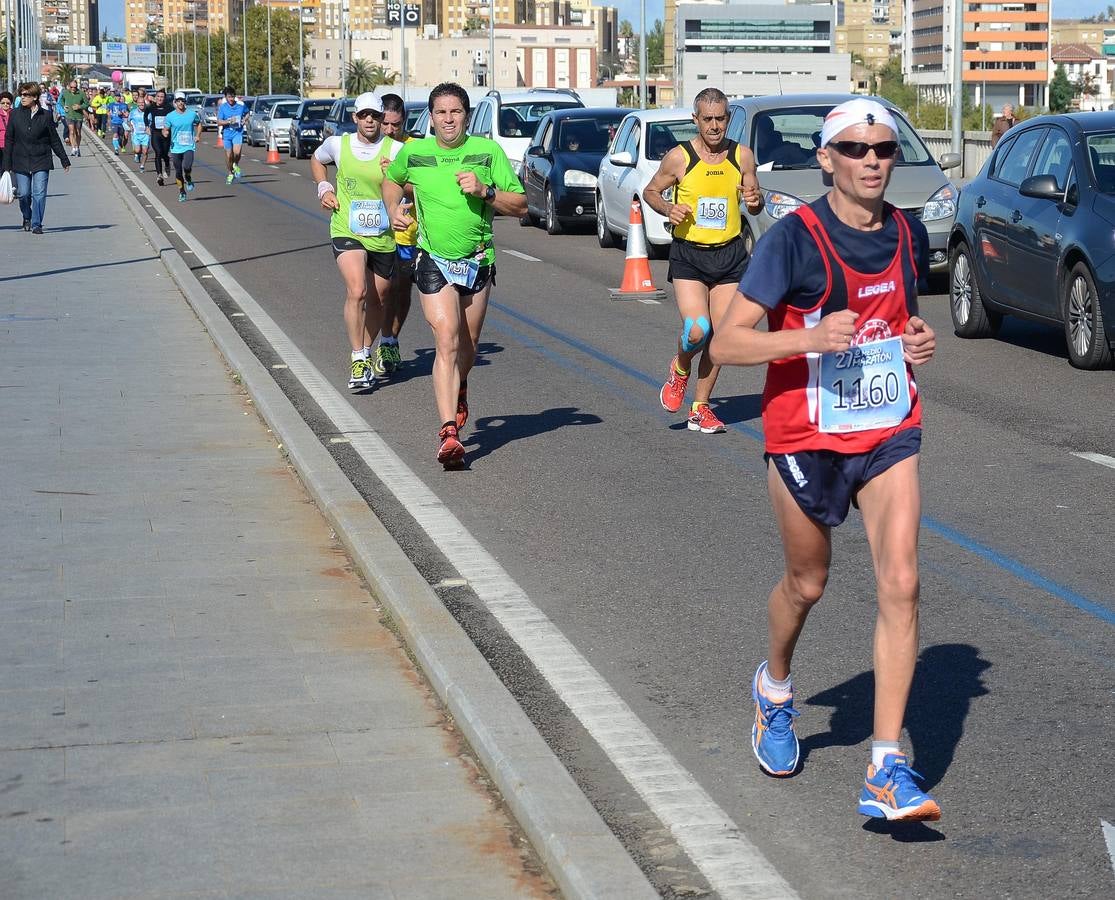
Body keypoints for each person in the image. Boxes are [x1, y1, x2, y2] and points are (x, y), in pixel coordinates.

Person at [709, 99, 938, 822]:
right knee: (807, 584)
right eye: (854, 148)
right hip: (804, 433)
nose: (871, 160)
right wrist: (805, 341)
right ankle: (773, 690)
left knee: (900, 583)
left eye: (883, 149)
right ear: (827, 158)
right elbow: (724, 345)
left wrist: (914, 343)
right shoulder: (793, 241)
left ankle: (885, 766)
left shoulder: (907, 232)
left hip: (885, 425)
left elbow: (897, 321)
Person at [383, 82, 527, 468]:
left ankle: (460, 385)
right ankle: (449, 432)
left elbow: (522, 205)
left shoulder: (487, 152)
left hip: (478, 260)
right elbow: (391, 180)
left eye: (456, 112)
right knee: (445, 339)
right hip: (433, 259)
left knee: (468, 344)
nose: (448, 119)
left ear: (467, 115)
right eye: (441, 112)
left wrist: (486, 191)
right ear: (431, 118)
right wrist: (393, 207)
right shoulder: (415, 152)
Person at [644, 87, 763, 435]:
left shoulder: (742, 156)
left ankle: (700, 407)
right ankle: (680, 367)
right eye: (707, 119)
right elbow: (651, 190)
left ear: (729, 119)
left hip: (729, 254)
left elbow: (754, 201)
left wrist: (755, 199)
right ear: (695, 120)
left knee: (722, 337)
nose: (714, 126)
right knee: (698, 330)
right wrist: (668, 208)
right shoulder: (679, 158)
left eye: (721, 118)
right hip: (690, 256)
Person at [310, 92, 400, 393]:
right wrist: (324, 187)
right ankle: (358, 357)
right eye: (364, 115)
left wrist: (398, 178)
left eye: (375, 115)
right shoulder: (338, 144)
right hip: (346, 227)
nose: (370, 120)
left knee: (379, 299)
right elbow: (317, 160)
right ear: (355, 118)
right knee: (357, 289)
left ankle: (365, 348)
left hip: (383, 234)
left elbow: (413, 187)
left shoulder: (395, 150)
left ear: (382, 118)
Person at [373, 93, 415, 377]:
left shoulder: (416, 149)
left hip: (408, 232)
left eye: (395, 124)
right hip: (376, 232)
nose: (389, 130)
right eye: (385, 123)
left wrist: (399, 179)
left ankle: (390, 341)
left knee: (402, 289)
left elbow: (424, 188)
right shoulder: (369, 146)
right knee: (380, 291)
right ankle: (371, 343)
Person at [3, 82, 71, 234]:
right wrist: (6, 164)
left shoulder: (45, 115)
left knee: (39, 193)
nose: (22, 97)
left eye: (26, 95)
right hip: (20, 159)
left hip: (41, 159)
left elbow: (54, 139)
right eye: (21, 94)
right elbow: (9, 139)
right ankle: (27, 216)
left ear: (35, 97)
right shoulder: (15, 114)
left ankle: (36, 223)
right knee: (24, 194)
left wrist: (64, 159)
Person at [163, 91, 202, 202]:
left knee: (187, 167)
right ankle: (182, 192)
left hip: (189, 146)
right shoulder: (170, 116)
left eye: (182, 101)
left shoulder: (192, 114)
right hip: (175, 147)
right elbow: (165, 128)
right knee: (178, 171)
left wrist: (198, 135)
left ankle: (188, 178)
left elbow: (199, 124)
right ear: (175, 102)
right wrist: (165, 132)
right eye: (178, 101)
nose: (180, 103)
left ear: (185, 102)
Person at [216, 86, 247, 184]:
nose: (231, 99)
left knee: (237, 153)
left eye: (233, 97)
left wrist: (244, 120)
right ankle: (230, 173)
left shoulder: (240, 106)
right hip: (227, 134)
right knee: (229, 156)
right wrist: (228, 121)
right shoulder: (223, 107)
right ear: (226, 97)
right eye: (229, 97)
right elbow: (219, 122)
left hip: (237, 132)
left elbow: (247, 113)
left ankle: (235, 165)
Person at [146, 89, 173, 186]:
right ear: (155, 97)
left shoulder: (169, 107)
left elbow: (174, 117)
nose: (160, 98)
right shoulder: (151, 107)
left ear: (164, 98)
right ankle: (159, 175)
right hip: (155, 133)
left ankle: (167, 163)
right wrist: (147, 127)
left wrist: (171, 129)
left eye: (162, 97)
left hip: (166, 134)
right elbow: (145, 115)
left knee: (164, 154)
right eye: (158, 96)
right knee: (158, 153)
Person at [59, 79, 86, 157]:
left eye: (75, 87)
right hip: (69, 115)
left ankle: (77, 147)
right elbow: (61, 101)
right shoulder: (65, 93)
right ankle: (73, 148)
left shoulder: (81, 93)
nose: (73, 89)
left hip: (78, 116)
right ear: (69, 87)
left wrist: (79, 106)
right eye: (71, 87)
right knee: (71, 132)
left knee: (78, 132)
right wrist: (64, 106)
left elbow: (87, 104)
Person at [126, 99, 150, 171]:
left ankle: (142, 165)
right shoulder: (133, 112)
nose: (141, 104)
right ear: (137, 104)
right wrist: (131, 126)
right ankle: (138, 154)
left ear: (145, 103)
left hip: (145, 135)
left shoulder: (148, 112)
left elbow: (152, 121)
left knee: (145, 151)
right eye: (139, 103)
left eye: (142, 102)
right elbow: (128, 120)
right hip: (136, 134)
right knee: (137, 150)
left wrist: (149, 128)